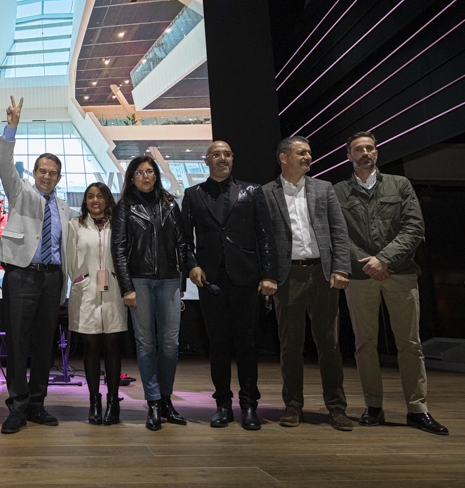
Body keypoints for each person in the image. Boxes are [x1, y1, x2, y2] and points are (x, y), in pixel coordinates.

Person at [334, 131, 447, 435]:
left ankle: (417, 409)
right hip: (360, 278)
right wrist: (368, 263)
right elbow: (338, 235)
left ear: (377, 153)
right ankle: (373, 406)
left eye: (370, 148)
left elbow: (414, 227)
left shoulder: (400, 184)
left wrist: (383, 259)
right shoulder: (338, 191)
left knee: (410, 344)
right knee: (365, 344)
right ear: (349, 156)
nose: (365, 153)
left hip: (400, 273)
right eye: (358, 149)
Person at [181, 141, 277, 431]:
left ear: (232, 159)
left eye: (227, 154)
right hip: (210, 283)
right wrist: (192, 265)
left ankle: (249, 405)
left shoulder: (253, 191)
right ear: (206, 160)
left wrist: (269, 274)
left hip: (246, 279)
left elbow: (266, 236)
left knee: (247, 344)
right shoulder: (192, 194)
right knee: (218, 345)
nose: (222, 159)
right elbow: (184, 240)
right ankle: (222, 404)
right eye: (216, 155)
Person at [262, 136, 353, 431]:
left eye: (310, 153)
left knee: (330, 344)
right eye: (301, 153)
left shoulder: (323, 189)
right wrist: (269, 274)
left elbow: (339, 232)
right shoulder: (265, 194)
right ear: (283, 157)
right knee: (290, 345)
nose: (308, 157)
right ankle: (293, 405)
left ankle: (337, 408)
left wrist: (340, 268)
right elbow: (262, 240)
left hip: (323, 275)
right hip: (288, 278)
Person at [0, 96, 72, 434]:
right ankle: (18, 405)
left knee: (44, 344)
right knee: (17, 341)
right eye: (42, 171)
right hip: (21, 276)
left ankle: (38, 404)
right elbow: (3, 163)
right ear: (35, 172)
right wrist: (12, 126)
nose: (47, 176)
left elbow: (65, 250)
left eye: (53, 173)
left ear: (58, 177)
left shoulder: (66, 208)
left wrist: (65, 288)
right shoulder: (21, 192)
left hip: (52, 280)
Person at [112, 159, 188, 431]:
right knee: (146, 345)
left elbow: (182, 243)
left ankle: (166, 400)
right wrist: (127, 287)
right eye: (140, 172)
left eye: (150, 172)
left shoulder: (170, 204)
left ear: (156, 176)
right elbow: (118, 250)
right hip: (140, 282)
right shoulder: (124, 207)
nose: (145, 176)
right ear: (132, 178)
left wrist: (182, 281)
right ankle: (153, 401)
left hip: (169, 281)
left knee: (170, 344)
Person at [67, 182, 127, 425]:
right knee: (90, 347)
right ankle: (94, 401)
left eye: (99, 196)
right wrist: (80, 279)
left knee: (112, 346)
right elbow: (71, 259)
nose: (95, 200)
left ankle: (113, 401)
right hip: (87, 293)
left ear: (107, 199)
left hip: (113, 292)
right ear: (85, 200)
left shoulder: (119, 224)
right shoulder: (75, 225)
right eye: (90, 196)